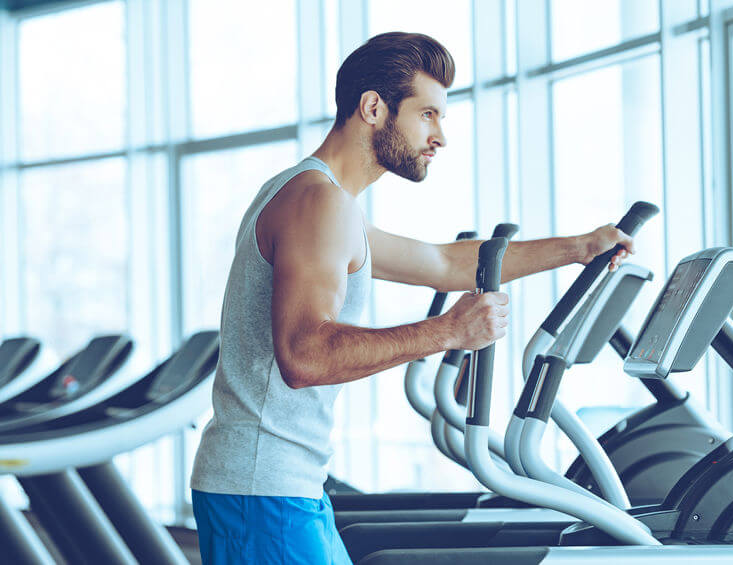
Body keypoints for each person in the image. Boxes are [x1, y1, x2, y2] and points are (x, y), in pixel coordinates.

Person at [189, 31, 634, 564]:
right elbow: (305, 355)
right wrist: (449, 331)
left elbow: (444, 265)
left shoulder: (326, 200)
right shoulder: (318, 202)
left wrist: (579, 247)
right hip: (262, 489)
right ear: (374, 108)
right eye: (427, 115)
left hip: (278, 483)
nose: (440, 136)